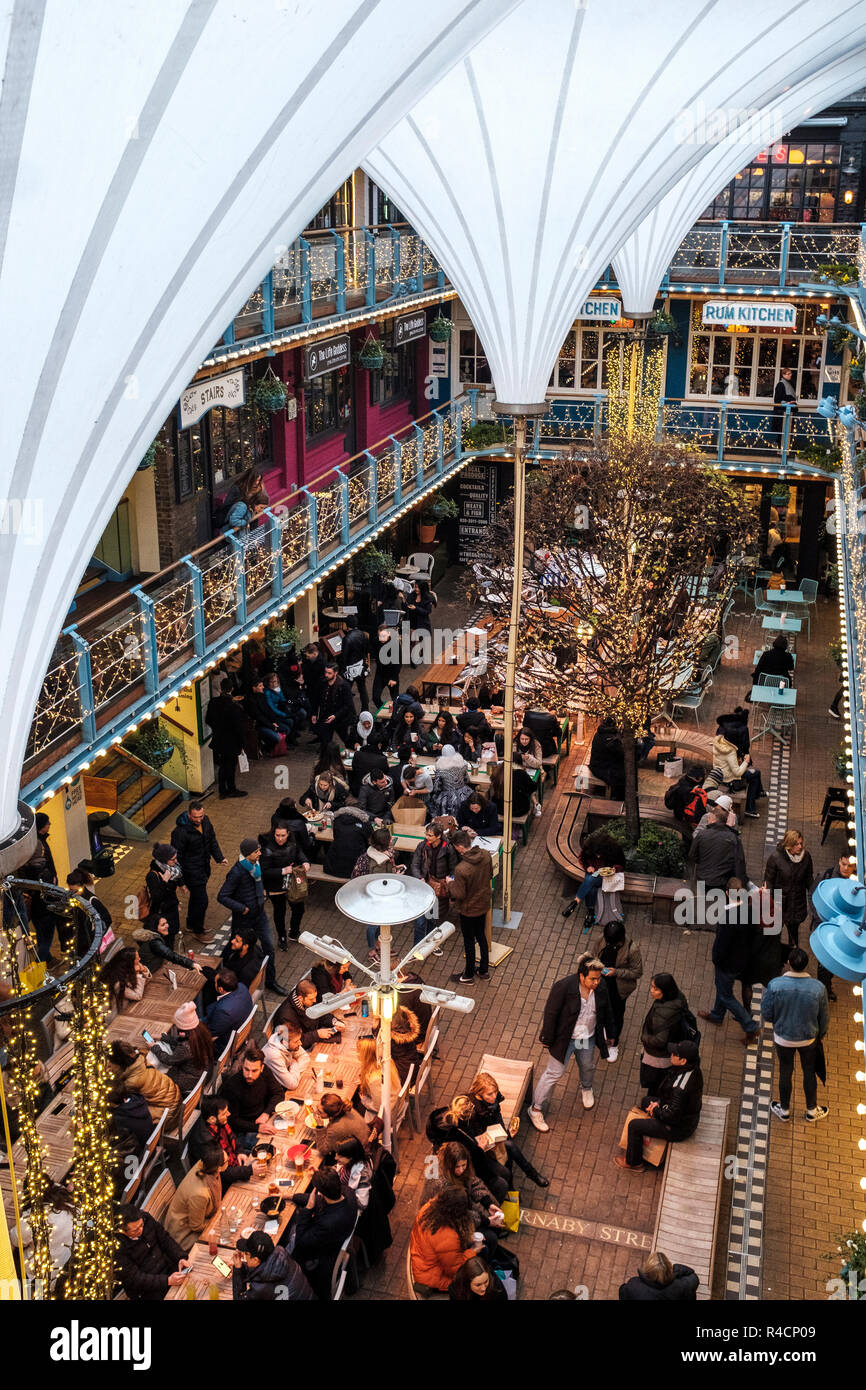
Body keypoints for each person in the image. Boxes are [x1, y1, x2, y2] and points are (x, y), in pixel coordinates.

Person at [527, 954, 615, 1131]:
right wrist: (547, 1037)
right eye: (593, 979)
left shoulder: (601, 987)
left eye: (598, 978)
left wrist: (611, 1033)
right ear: (581, 976)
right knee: (554, 1073)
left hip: (585, 1038)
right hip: (565, 1041)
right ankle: (535, 1109)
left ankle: (587, 1088)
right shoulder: (563, 987)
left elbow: (607, 1011)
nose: (596, 982)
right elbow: (551, 1013)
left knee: (587, 1065)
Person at [761, 947, 830, 1122]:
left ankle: (784, 1110)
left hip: (783, 1038)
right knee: (809, 1072)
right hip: (809, 1039)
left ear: (789, 963)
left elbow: (767, 1013)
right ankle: (812, 1110)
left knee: (785, 1071)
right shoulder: (818, 988)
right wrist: (820, 1034)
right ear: (807, 965)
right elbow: (824, 1017)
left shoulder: (775, 985)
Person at [617, 1040, 704, 1171]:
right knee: (646, 1101)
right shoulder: (694, 1069)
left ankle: (633, 1162)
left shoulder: (680, 1088)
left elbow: (671, 1116)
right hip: (684, 1115)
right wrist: (657, 1103)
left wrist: (656, 1110)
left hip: (678, 1128)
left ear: (683, 1061)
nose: (671, 1054)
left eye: (675, 1054)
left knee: (634, 1126)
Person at [697, 878, 761, 1043]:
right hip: (742, 961)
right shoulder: (751, 911)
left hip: (727, 964)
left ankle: (750, 1026)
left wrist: (716, 959)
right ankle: (717, 1014)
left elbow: (721, 945)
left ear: (727, 893)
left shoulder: (727, 917)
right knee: (722, 988)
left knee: (726, 995)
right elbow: (755, 937)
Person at [217, 839, 284, 995]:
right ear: (248, 854)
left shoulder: (256, 866)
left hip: (259, 915)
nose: (260, 853)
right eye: (256, 851)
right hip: (244, 919)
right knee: (232, 947)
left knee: (269, 947)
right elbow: (222, 896)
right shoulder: (237, 872)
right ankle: (218, 974)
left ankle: (270, 981)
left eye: (259, 850)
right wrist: (242, 908)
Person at [468, 1071, 549, 1187]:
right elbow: (477, 1137)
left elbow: (497, 1116)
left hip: (493, 1132)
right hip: (482, 1144)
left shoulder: (493, 1099)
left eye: (495, 1092)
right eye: (489, 1094)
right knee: (509, 1148)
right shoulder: (473, 1111)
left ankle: (513, 1186)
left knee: (508, 1147)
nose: (494, 1096)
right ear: (479, 1094)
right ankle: (530, 1175)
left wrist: (506, 1134)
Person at [290, 1167, 358, 1300]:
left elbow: (301, 1241)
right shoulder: (347, 1192)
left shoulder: (328, 1223)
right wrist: (291, 1196)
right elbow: (318, 1200)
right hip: (335, 1237)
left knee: (290, 1234)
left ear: (322, 1193)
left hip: (320, 1259)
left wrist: (308, 1210)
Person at [171, 803, 227, 938]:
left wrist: (219, 858)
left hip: (204, 868)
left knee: (196, 897)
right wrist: (181, 882)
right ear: (189, 815)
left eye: (201, 816)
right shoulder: (180, 833)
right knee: (202, 900)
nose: (199, 820)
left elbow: (212, 840)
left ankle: (190, 923)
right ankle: (198, 930)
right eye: (195, 817)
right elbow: (176, 859)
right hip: (191, 872)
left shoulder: (206, 821)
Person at [589, 920, 643, 1056]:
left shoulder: (632, 949)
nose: (608, 945)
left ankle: (614, 1043)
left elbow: (637, 972)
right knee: (598, 1011)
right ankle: (600, 1037)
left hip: (618, 989)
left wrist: (616, 972)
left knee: (615, 1016)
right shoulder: (602, 939)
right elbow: (593, 955)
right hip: (600, 984)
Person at [187, 1094, 263, 1190]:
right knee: (257, 1185)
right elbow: (220, 1172)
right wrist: (249, 1170)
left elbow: (233, 1138)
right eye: (224, 1113)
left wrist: (240, 1152)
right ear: (212, 1119)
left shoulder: (217, 1122)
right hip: (216, 1180)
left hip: (231, 1161)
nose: (229, 1114)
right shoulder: (205, 1142)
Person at [410, 1187, 476, 1295]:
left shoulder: (428, 1209)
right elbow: (456, 1270)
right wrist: (473, 1252)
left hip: (421, 1261)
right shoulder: (448, 1237)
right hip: (431, 1277)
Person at [447, 829, 494, 984]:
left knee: (469, 941)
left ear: (460, 847)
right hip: (483, 903)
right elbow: (490, 875)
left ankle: (468, 975)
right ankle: (484, 970)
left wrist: (450, 884)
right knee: (481, 936)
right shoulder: (486, 855)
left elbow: (459, 894)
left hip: (468, 909)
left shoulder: (461, 869)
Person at [117, 1205, 190, 1300]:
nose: (141, 1230)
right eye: (135, 1230)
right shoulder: (117, 1247)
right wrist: (167, 1281)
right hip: (147, 1289)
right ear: (123, 1231)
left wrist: (180, 1257)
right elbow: (135, 1279)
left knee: (192, 1280)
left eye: (141, 1225)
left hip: (167, 1269)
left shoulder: (146, 1218)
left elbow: (165, 1239)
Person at [809, 852, 855, 1002]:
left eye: (850, 866)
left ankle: (824, 987)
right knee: (824, 962)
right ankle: (823, 989)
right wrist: (817, 917)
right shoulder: (827, 876)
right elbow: (812, 895)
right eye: (844, 864)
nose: (846, 868)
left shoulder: (856, 885)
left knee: (833, 963)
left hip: (843, 931)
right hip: (824, 926)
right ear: (839, 861)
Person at [107, 1040, 182, 1128]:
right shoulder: (141, 1061)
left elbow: (118, 1099)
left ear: (120, 1064)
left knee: (121, 1114)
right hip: (175, 1104)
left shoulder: (131, 1083)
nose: (109, 1067)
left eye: (111, 1065)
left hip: (168, 1117)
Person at [164, 1143, 226, 1250]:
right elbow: (196, 1226)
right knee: (224, 1235)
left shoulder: (206, 1165)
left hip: (199, 1216)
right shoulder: (200, 1194)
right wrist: (218, 1222)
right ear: (219, 1168)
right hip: (184, 1234)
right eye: (227, 1161)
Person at [259, 822, 311, 947]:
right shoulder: (267, 849)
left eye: (283, 835)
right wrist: (282, 871)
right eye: (277, 835)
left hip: (292, 882)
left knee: (299, 908)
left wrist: (305, 861)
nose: (280, 838)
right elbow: (264, 870)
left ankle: (294, 932)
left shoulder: (292, 843)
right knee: (279, 911)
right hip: (275, 885)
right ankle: (281, 936)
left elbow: (299, 852)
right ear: (273, 834)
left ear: (288, 834)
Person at [638, 973, 692, 1094]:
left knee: (654, 1086)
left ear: (665, 990)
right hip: (672, 1046)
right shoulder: (679, 997)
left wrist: (644, 1037)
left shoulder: (661, 1014)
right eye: (651, 986)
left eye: (655, 988)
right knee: (662, 1081)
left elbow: (660, 1040)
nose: (651, 991)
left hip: (658, 1057)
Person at [221, 1045, 284, 1139]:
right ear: (242, 1065)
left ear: (262, 1068)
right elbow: (232, 1120)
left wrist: (266, 1113)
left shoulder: (265, 1071)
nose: (249, 1075)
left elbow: (278, 1093)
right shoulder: (232, 1086)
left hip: (265, 1118)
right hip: (245, 1130)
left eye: (254, 1071)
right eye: (246, 1069)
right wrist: (257, 1128)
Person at [764, 829, 814, 949]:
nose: (800, 846)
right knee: (773, 933)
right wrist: (769, 903)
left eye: (801, 843)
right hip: (779, 902)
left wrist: (814, 894)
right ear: (789, 845)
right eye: (796, 844)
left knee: (793, 935)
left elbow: (808, 878)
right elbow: (769, 881)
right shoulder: (776, 858)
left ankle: (793, 957)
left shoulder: (806, 857)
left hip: (797, 902)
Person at [410, 820, 457, 947]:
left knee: (433, 918)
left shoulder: (448, 848)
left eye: (430, 835)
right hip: (423, 886)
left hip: (438, 888)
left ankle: (430, 945)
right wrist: (420, 878)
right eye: (426, 834)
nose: (427, 837)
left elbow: (453, 867)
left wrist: (449, 880)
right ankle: (417, 947)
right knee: (420, 921)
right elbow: (415, 864)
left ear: (438, 836)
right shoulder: (422, 846)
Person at [232, 1231, 315, 1301]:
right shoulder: (281, 1255)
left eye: (246, 1254)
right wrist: (243, 1267)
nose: (244, 1256)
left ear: (256, 1260)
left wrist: (238, 1269)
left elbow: (239, 1298)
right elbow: (261, 1269)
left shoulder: (260, 1288)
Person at [563, 833, 626, 923]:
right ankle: (591, 912)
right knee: (591, 886)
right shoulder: (589, 847)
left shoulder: (615, 850)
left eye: (600, 854)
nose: (598, 856)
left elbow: (622, 864)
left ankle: (577, 903)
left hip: (608, 876)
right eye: (596, 854)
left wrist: (615, 869)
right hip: (593, 872)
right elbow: (582, 858)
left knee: (590, 880)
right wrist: (587, 867)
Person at [153, 1000, 215, 1093]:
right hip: (205, 1073)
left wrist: (154, 1047)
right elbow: (179, 1041)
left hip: (191, 1080)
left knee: (156, 1074)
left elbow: (168, 1060)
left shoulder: (185, 1047)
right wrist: (163, 1038)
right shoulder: (201, 1031)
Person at [205, 678, 249, 798]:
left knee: (223, 765)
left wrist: (217, 729)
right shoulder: (235, 707)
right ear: (232, 689)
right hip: (232, 742)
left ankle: (222, 790)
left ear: (221, 687)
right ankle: (231, 789)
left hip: (218, 740)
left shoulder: (213, 702)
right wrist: (242, 744)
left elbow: (208, 719)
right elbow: (239, 728)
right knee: (230, 766)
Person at [688, 804, 747, 889]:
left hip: (702, 878)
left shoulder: (702, 834)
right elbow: (739, 862)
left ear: (713, 820)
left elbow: (692, 855)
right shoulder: (733, 838)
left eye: (709, 818)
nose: (707, 820)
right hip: (722, 881)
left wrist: (703, 861)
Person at [276, 977, 341, 1051]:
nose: (315, 1000)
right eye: (311, 999)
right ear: (300, 998)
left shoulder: (306, 999)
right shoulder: (286, 1016)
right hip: (302, 1048)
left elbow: (320, 1012)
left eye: (315, 997)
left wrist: (333, 1021)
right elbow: (293, 1043)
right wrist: (317, 1034)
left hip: (313, 1035)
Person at [618, 1250, 699, 1301]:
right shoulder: (680, 1286)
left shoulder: (633, 1285)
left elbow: (622, 1293)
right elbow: (693, 1277)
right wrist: (676, 1270)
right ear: (668, 1267)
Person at [137, 912, 202, 976]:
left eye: (166, 923)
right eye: (163, 925)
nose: (167, 926)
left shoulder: (150, 936)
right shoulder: (154, 942)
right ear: (154, 928)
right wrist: (192, 964)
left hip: (151, 970)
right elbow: (170, 955)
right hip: (149, 974)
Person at [203, 968, 254, 1049]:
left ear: (220, 989)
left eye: (215, 982)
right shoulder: (242, 987)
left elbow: (211, 1033)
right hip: (236, 1023)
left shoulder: (224, 1011)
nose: (214, 983)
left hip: (223, 1044)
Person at [356, 1036, 402, 1124]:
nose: (356, 1054)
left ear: (367, 1055)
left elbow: (379, 1107)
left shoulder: (374, 1079)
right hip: (394, 1103)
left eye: (359, 1052)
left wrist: (364, 1100)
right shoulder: (386, 1062)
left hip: (387, 1115)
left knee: (354, 1107)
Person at [143, 843, 184, 938]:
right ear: (164, 860)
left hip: (171, 908)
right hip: (163, 913)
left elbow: (172, 890)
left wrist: (176, 902)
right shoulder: (153, 876)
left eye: (176, 858)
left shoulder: (171, 869)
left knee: (173, 931)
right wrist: (164, 882)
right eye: (173, 859)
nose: (176, 861)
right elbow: (157, 897)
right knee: (166, 935)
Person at [313, 662, 355, 747]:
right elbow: (316, 699)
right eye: (326, 672)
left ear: (335, 673)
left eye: (329, 673)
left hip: (340, 717)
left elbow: (348, 705)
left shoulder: (344, 686)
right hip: (326, 716)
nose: (326, 675)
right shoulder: (322, 683)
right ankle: (325, 759)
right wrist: (314, 713)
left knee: (346, 740)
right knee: (325, 741)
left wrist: (335, 715)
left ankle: (354, 756)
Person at [323, 805, 372, 879]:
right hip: (355, 870)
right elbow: (370, 839)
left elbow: (336, 836)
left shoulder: (336, 820)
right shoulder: (364, 822)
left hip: (332, 867)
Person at [262, 1021, 309, 1091]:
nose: (300, 1043)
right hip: (270, 1090)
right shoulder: (274, 1056)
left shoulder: (285, 1041)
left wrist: (292, 1072)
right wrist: (294, 1064)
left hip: (286, 1078)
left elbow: (305, 1057)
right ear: (285, 1042)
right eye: (296, 1041)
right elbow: (292, 1085)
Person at [103, 945, 151, 1011]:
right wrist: (137, 974)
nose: (140, 959)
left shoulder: (126, 969)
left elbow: (145, 982)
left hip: (128, 1004)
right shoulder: (118, 983)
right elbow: (138, 996)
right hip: (118, 1011)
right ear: (129, 962)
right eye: (137, 958)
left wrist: (144, 970)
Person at [488, 760, 534, 825]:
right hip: (518, 810)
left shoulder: (497, 772)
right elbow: (532, 788)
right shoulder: (521, 773)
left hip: (500, 809)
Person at [218, 925, 264, 990]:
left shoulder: (245, 972)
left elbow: (237, 990)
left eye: (237, 941)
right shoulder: (254, 947)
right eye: (234, 938)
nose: (232, 941)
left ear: (245, 946)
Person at [333, 1137, 373, 1210]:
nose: (335, 1158)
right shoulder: (348, 1162)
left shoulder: (363, 1175)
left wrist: (341, 1194)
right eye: (336, 1154)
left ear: (351, 1157)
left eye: (340, 1156)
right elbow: (337, 1168)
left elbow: (362, 1203)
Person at [589, 718, 625, 798]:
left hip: (595, 764)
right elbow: (621, 753)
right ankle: (618, 798)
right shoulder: (611, 739)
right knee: (623, 773)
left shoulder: (600, 732)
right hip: (601, 769)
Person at [350, 719, 389, 795]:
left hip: (358, 789)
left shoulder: (357, 754)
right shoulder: (382, 759)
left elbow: (353, 769)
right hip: (375, 791)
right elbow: (386, 774)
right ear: (379, 745)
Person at [339, 615, 370, 711]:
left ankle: (351, 712)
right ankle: (365, 709)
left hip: (350, 669)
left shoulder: (347, 638)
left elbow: (344, 657)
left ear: (347, 625)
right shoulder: (363, 634)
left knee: (346, 691)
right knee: (362, 689)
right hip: (361, 666)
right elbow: (367, 651)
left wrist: (341, 669)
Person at [514, 727, 543, 816]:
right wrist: (519, 759)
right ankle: (535, 803)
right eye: (522, 739)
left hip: (533, 769)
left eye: (526, 739)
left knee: (524, 783)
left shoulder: (536, 745)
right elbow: (511, 757)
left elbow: (538, 763)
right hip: (518, 769)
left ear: (530, 739)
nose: (524, 741)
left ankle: (534, 803)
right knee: (521, 782)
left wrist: (528, 758)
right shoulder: (515, 744)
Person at [390, 1005, 423, 1084]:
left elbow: (378, 1053)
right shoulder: (405, 1024)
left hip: (403, 1076)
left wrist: (375, 1027)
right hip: (412, 1067)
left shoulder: (394, 1040)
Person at [371, 624, 401, 709]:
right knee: (375, 698)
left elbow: (398, 663)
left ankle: (396, 715)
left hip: (392, 674)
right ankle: (384, 712)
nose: (381, 638)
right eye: (380, 636)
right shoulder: (376, 641)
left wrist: (394, 678)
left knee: (395, 699)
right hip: (380, 674)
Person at [772, 365, 798, 443]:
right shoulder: (780, 385)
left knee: (788, 432)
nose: (790, 375)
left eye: (790, 373)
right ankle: (781, 449)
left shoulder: (790, 384)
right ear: (783, 375)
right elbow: (777, 400)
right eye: (788, 374)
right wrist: (788, 403)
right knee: (782, 432)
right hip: (782, 413)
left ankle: (785, 450)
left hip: (789, 412)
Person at [301, 642, 326, 717]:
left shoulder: (322, 663)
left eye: (308, 656)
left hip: (316, 688)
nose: (306, 658)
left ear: (314, 654)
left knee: (315, 705)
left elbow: (321, 678)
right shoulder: (307, 659)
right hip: (308, 685)